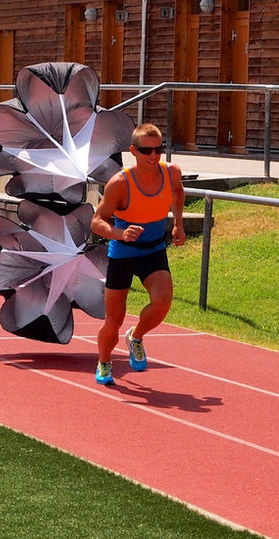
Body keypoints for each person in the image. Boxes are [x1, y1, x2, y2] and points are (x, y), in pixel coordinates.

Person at [90, 123, 186, 385]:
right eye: (147, 151)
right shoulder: (120, 183)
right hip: (123, 252)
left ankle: (136, 336)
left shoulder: (171, 173)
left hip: (153, 249)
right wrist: (120, 234)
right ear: (133, 151)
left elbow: (178, 192)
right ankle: (104, 361)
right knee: (114, 319)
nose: (154, 156)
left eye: (159, 149)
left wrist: (178, 222)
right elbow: (97, 221)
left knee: (163, 301)